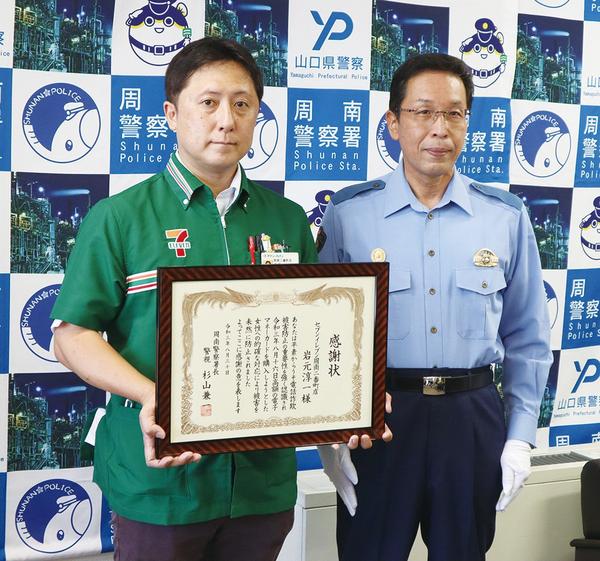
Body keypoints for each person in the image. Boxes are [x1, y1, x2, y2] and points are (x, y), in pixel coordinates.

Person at [51, 37, 318, 561]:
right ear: (172, 114)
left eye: (242, 104)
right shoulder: (120, 217)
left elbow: (309, 332)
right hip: (162, 482)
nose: (226, 120)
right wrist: (153, 395)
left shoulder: (287, 219)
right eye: (208, 102)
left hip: (260, 483)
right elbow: (72, 336)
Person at [317, 53, 552, 561]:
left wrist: (520, 437)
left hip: (471, 419)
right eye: (423, 112)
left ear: (467, 121)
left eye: (453, 113)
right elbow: (321, 332)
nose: (439, 129)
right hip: (379, 421)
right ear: (393, 122)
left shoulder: (505, 216)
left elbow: (528, 338)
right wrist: (329, 433)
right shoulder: (348, 215)